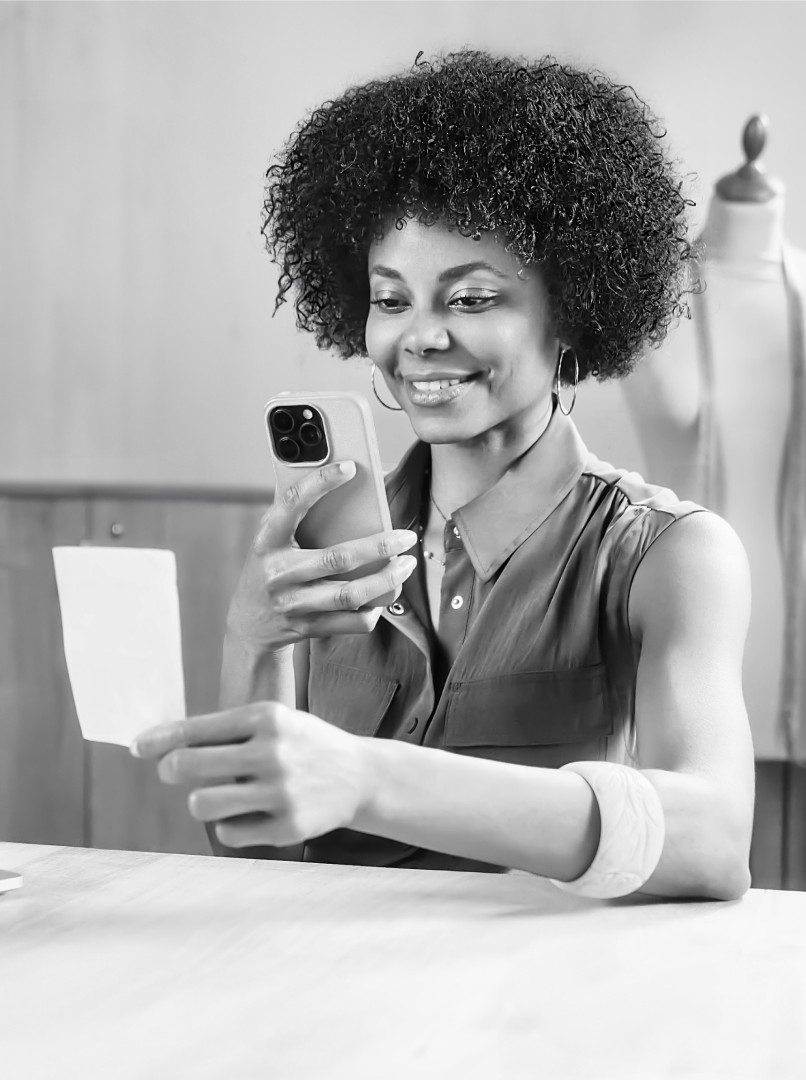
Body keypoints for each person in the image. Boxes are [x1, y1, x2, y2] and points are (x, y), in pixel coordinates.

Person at [132, 51, 754, 899]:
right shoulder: (333, 535)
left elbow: (715, 843)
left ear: (570, 311)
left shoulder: (667, 554)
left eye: (469, 299)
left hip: (537, 1003)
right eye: (392, 299)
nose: (418, 339)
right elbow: (256, 860)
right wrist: (251, 640)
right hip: (326, 990)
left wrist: (366, 778)